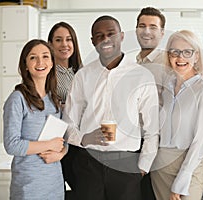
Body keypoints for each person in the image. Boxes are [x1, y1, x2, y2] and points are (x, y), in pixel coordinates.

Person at [62, 15, 159, 200]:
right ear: (92, 41)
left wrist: (143, 166)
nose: (105, 39)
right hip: (88, 162)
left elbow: (152, 128)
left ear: (121, 36)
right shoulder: (83, 76)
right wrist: (83, 138)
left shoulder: (141, 76)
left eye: (111, 33)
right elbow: (68, 121)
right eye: (99, 35)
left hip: (127, 164)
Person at [150, 30, 203, 200]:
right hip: (161, 165)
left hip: (190, 163)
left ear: (196, 56)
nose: (180, 57)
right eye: (175, 52)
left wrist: (182, 179)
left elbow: (200, 142)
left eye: (187, 52)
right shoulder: (167, 88)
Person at [3, 39, 66, 200]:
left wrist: (62, 153)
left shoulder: (55, 100)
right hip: (29, 186)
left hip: (55, 183)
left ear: (52, 63)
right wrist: (49, 145)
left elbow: (63, 140)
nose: (40, 62)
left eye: (45, 56)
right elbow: (12, 145)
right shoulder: (17, 99)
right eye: (33, 57)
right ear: (25, 65)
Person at [48, 21, 82, 199]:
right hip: (58, 140)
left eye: (69, 39)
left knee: (83, 190)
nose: (64, 44)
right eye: (58, 40)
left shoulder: (82, 72)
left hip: (80, 142)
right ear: (51, 44)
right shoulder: (47, 73)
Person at [135, 6, 166, 200]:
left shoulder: (168, 63)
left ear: (162, 33)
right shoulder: (136, 63)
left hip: (160, 147)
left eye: (153, 27)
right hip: (139, 142)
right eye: (142, 26)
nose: (147, 31)